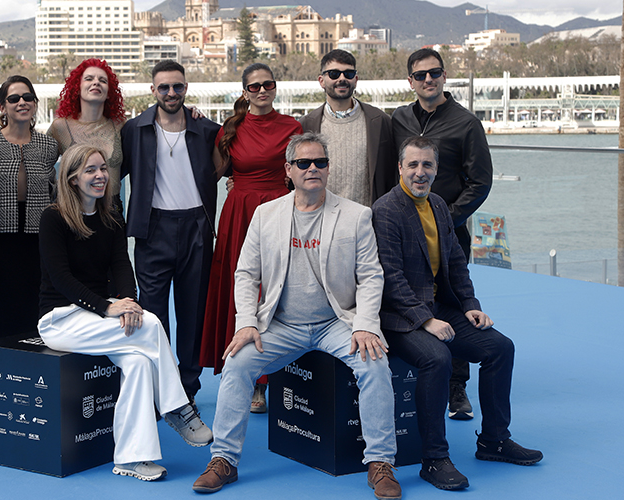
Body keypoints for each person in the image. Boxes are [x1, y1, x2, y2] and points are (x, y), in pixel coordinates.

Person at [192, 132, 400, 500]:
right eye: (303, 163)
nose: (312, 168)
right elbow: (246, 274)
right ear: (288, 170)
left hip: (336, 323)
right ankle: (223, 459)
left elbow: (371, 276)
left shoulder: (356, 216)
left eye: (320, 162)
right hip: (281, 324)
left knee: (375, 364)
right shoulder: (266, 215)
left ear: (329, 169)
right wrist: (247, 322)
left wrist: (366, 325)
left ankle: (380, 462)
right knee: (237, 363)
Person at [371, 136, 541, 491]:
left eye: (427, 165)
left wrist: (470, 306)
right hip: (400, 316)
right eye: (413, 165)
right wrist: (425, 320)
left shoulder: (437, 205)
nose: (420, 172)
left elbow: (456, 263)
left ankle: (494, 440)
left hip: (439, 307)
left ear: (437, 169)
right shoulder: (386, 210)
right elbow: (390, 277)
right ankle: (433, 459)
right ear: (400, 167)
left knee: (500, 348)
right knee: (437, 359)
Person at [37, 145, 213, 481]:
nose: (100, 175)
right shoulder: (53, 218)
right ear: (72, 179)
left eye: (103, 168)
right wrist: (107, 307)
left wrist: (129, 301)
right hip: (61, 319)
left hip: (99, 315)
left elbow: (121, 265)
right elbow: (60, 278)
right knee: (152, 323)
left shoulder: (111, 217)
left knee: (139, 363)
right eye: (90, 170)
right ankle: (178, 408)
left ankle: (131, 459)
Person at [391, 48, 494, 420]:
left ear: (444, 76)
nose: (428, 80)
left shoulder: (466, 123)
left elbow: (480, 182)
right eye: (420, 75)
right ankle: (418, 369)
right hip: (404, 230)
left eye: (434, 73)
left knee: (452, 300)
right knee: (409, 293)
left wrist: (446, 218)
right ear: (410, 81)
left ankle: (457, 386)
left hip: (448, 230)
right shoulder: (399, 119)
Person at [199, 62, 302, 413]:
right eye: (254, 86)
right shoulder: (230, 128)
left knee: (276, 290)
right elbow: (215, 171)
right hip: (239, 213)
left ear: (275, 87)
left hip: (279, 210)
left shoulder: (292, 127)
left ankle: (271, 379)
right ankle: (246, 375)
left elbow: (301, 170)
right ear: (245, 91)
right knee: (241, 290)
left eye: (267, 84)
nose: (261, 91)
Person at [120, 60, 221, 405]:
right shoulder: (134, 130)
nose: (171, 93)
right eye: (164, 87)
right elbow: (112, 170)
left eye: (177, 86)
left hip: (197, 228)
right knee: (153, 314)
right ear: (153, 90)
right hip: (152, 229)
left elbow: (231, 164)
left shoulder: (206, 129)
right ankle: (159, 387)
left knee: (193, 313)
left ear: (186, 88)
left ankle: (188, 388)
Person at [0, 75, 59, 342]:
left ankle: (33, 357)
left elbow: (55, 191)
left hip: (37, 237)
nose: (22, 102)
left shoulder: (49, 146)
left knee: (34, 302)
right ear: (3, 107)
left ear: (35, 103)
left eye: (28, 97)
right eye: (14, 98)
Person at [300, 49, 398, 206]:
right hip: (322, 215)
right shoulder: (307, 125)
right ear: (321, 80)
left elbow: (391, 173)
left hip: (368, 215)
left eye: (348, 74)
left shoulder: (380, 121)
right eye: (334, 74)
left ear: (356, 79)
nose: (342, 79)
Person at [47, 58, 126, 210]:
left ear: (109, 93)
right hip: (74, 210)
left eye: (102, 80)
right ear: (77, 88)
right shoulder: (60, 127)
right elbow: (42, 166)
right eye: (89, 79)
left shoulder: (119, 125)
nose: (96, 83)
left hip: (112, 210)